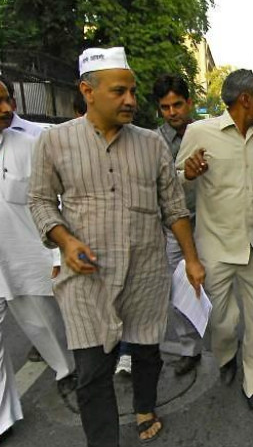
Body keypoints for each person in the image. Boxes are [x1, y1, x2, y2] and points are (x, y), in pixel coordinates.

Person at [28, 47, 205, 447]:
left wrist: (192, 260)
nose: (130, 100)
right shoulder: (54, 141)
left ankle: (144, 406)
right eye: (119, 91)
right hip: (86, 278)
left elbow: (174, 207)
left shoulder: (151, 144)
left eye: (133, 91)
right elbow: (39, 200)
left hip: (146, 273)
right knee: (92, 371)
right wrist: (65, 241)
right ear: (87, 92)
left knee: (146, 352)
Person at [176, 69, 253, 415]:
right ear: (246, 100)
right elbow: (173, 181)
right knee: (222, 320)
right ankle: (226, 355)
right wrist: (188, 174)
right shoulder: (199, 132)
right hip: (215, 246)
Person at [0, 78, 76, 441]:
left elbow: (53, 201)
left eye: (7, 99)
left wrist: (58, 251)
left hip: (26, 257)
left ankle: (67, 370)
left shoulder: (29, 144)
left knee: (44, 324)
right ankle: (2, 419)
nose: (6, 109)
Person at [151, 73, 203, 376]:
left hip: (209, 223)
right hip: (172, 228)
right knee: (181, 289)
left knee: (218, 287)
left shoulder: (206, 134)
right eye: (165, 107)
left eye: (178, 105)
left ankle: (227, 347)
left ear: (189, 103)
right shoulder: (152, 141)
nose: (172, 112)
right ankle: (190, 348)